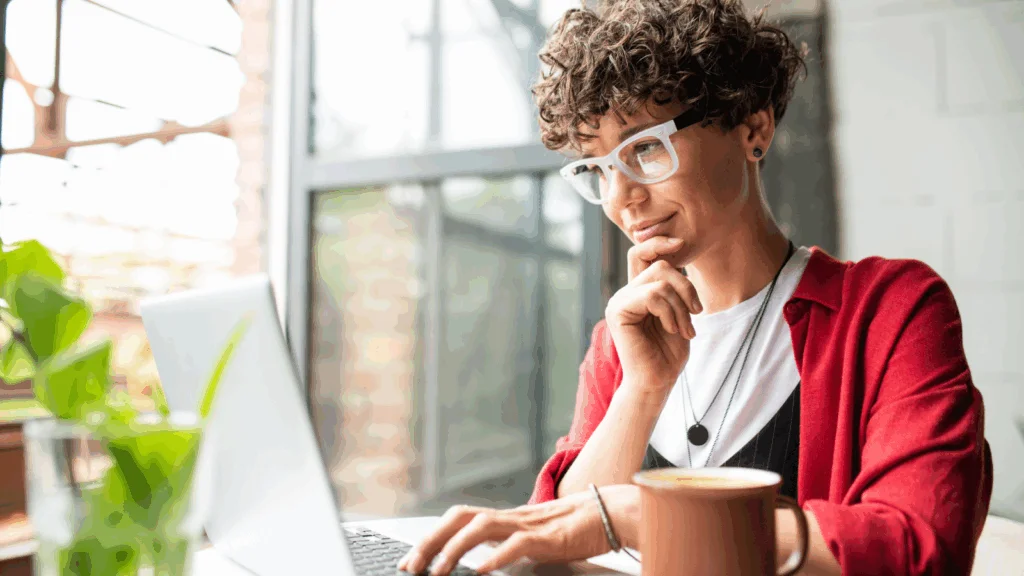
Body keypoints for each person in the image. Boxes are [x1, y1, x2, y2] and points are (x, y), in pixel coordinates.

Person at [398, 0, 993, 574]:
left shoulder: (890, 311)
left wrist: (644, 515)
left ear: (752, 127)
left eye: (645, 149)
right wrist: (642, 389)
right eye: (597, 168)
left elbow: (917, 550)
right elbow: (556, 537)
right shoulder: (620, 341)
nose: (621, 198)